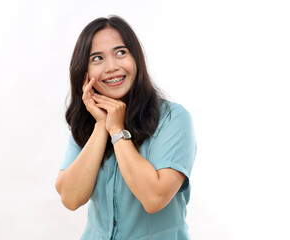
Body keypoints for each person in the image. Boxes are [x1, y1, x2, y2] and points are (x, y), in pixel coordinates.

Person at [55, 15, 197, 240]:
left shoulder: (174, 119)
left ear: (136, 58)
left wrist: (117, 131)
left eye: (121, 52)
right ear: (85, 72)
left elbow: (154, 198)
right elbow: (70, 198)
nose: (112, 67)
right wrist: (101, 125)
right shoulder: (88, 121)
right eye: (97, 58)